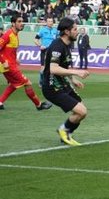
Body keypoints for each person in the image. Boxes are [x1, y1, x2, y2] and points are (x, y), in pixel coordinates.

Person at [43, 18, 90, 146]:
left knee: (82, 110)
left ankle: (66, 134)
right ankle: (64, 131)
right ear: (66, 31)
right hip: (52, 87)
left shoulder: (67, 45)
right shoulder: (57, 46)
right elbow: (53, 68)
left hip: (63, 84)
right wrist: (76, 72)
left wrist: (73, 79)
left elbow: (65, 66)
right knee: (82, 111)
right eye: (74, 29)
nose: (77, 31)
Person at [0, 16, 52, 111]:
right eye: (19, 21)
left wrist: (16, 59)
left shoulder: (15, 35)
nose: (22, 23)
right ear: (13, 23)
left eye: (22, 21)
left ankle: (0, 102)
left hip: (11, 65)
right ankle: (39, 105)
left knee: (14, 84)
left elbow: (10, 51)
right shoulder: (8, 34)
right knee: (27, 83)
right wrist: (4, 62)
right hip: (8, 66)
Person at [34, 17, 58, 85]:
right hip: (45, 50)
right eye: (49, 21)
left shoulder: (56, 31)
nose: (50, 23)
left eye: (51, 21)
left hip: (53, 51)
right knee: (43, 68)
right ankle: (41, 81)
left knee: (53, 67)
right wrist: (40, 45)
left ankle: (51, 82)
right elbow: (35, 40)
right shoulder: (42, 30)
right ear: (46, 22)